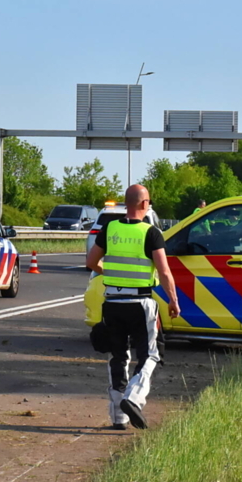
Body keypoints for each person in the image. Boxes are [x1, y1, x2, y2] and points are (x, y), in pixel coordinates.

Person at [86, 184, 180, 430]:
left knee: (118, 356)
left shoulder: (109, 229)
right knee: (150, 354)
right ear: (143, 204)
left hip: (113, 302)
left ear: (126, 203)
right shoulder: (151, 233)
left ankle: (118, 416)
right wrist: (173, 300)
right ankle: (133, 398)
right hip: (141, 303)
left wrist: (109, 275)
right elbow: (164, 271)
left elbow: (91, 261)